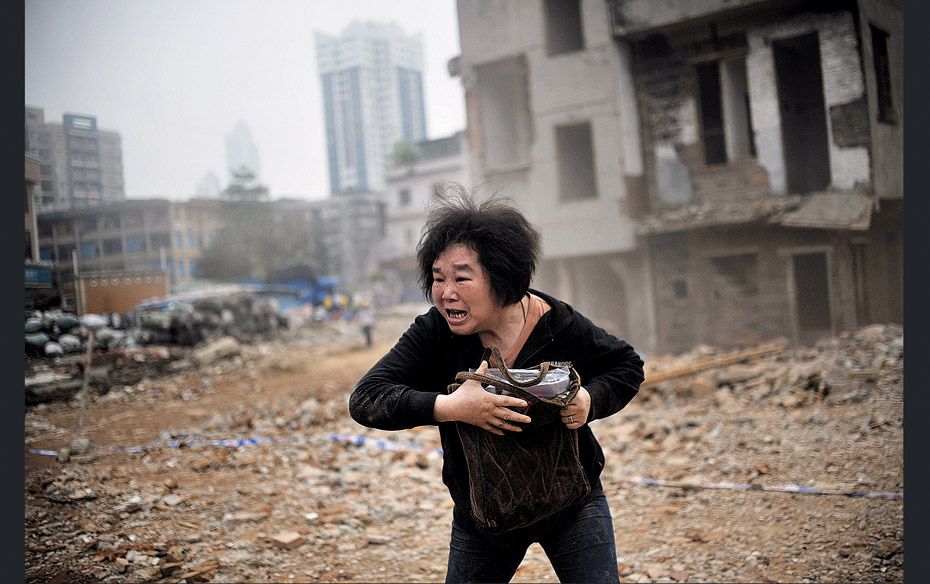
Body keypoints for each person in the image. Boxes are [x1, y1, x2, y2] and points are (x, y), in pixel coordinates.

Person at [349, 186, 644, 583]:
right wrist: (451, 407)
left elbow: (626, 365)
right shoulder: (435, 333)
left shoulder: (557, 325)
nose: (446, 293)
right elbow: (367, 399)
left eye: (462, 278)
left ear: (502, 277)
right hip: (483, 516)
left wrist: (591, 399)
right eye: (438, 278)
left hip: (573, 504)